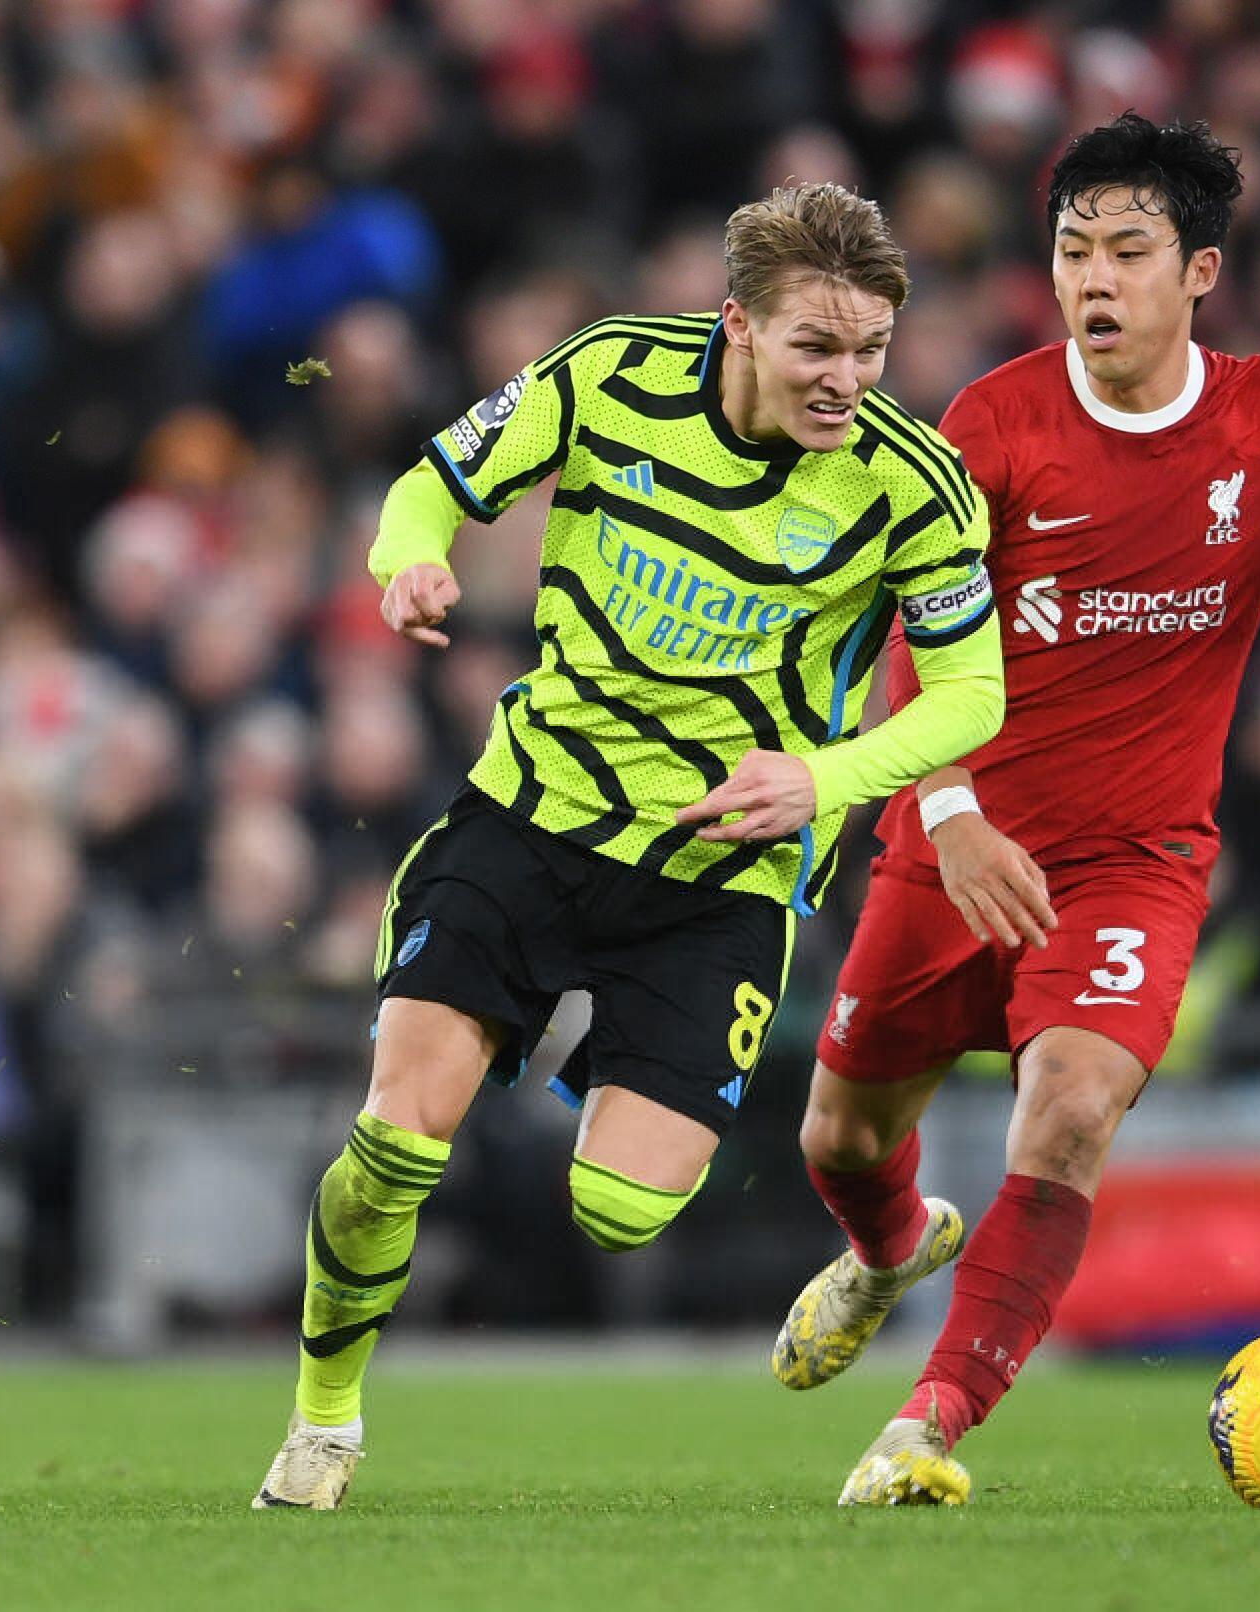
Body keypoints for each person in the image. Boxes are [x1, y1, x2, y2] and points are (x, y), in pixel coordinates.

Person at [772, 115, 1260, 1507]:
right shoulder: (996, 422)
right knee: (837, 1140)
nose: (1095, 277)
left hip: (1130, 868)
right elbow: (912, 633)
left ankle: (926, 1426)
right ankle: (890, 1250)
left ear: (1199, 271)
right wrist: (949, 815)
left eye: (1127, 250)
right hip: (954, 846)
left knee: (1068, 1114)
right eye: (1074, 249)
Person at [253, 183, 1005, 1509]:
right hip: (532, 817)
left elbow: (971, 696)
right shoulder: (609, 376)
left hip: (719, 881)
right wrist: (408, 561)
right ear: (738, 327)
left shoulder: (914, 488)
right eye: (816, 349)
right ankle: (323, 1424)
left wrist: (821, 780)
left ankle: (890, 1240)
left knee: (618, 1211)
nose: (847, 380)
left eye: (871, 350)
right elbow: (431, 487)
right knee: (397, 1145)